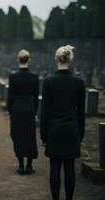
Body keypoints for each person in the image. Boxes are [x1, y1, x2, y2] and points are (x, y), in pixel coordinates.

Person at [40, 45, 85, 200]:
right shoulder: (79, 82)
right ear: (70, 60)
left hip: (54, 130)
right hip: (72, 130)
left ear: (56, 60)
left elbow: (45, 111)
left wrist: (43, 134)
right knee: (70, 167)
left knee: (55, 168)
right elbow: (81, 112)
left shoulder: (49, 82)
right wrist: (81, 134)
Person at [7, 50, 39, 175]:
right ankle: (29, 166)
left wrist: (10, 111)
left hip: (16, 109)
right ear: (28, 60)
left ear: (18, 60)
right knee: (30, 136)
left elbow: (10, 97)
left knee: (18, 135)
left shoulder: (13, 77)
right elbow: (36, 97)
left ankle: (21, 165)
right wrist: (35, 111)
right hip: (29, 108)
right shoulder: (34, 77)